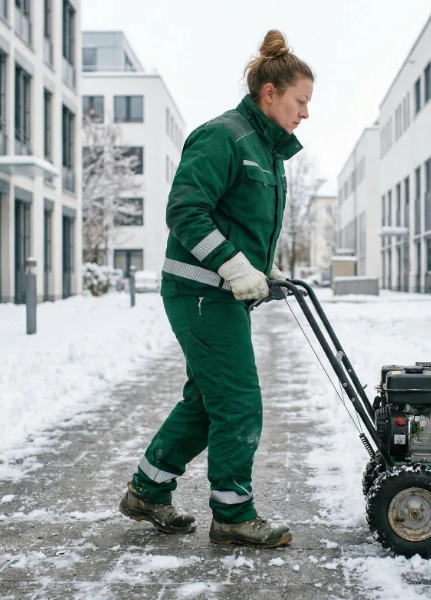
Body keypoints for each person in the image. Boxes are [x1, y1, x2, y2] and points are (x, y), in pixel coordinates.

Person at [118, 29, 314, 549]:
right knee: (239, 402)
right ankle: (232, 512)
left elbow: (239, 221)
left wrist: (259, 270)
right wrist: (232, 265)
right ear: (269, 94)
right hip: (199, 291)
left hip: (220, 292)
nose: (305, 114)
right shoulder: (223, 136)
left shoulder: (267, 152)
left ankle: (147, 488)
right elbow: (185, 210)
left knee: (208, 402)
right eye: (300, 101)